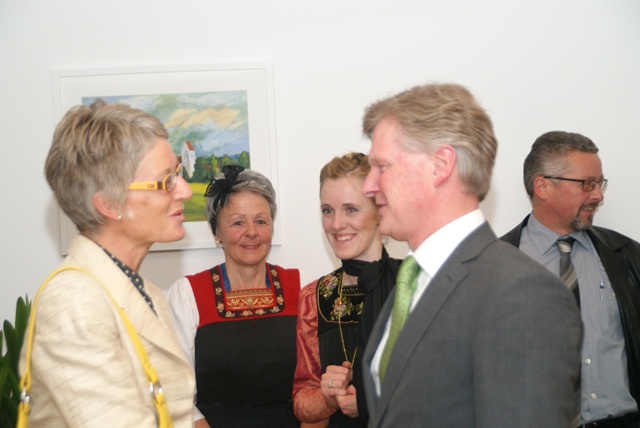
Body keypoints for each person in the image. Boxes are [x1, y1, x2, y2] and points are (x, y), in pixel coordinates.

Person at [358, 83, 583, 427]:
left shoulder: (520, 294)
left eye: (382, 167)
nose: (368, 186)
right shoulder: (413, 278)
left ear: (440, 165)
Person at [19, 100, 196, 426]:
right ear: (109, 204)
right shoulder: (73, 300)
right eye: (166, 180)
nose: (184, 191)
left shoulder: (146, 292)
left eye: (179, 173)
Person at [502, 130, 640, 428]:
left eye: (600, 183)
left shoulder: (627, 256)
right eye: (587, 184)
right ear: (543, 187)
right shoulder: (494, 264)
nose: (599, 195)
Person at [166, 165, 311, 428]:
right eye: (238, 222)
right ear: (217, 233)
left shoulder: (302, 287)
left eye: (261, 221)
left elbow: (316, 381)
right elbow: (176, 392)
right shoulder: (188, 294)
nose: (251, 232)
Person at [292, 152, 400, 427]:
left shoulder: (414, 284)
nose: (336, 224)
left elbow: (439, 387)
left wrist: (369, 403)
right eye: (328, 210)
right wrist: (327, 399)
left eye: (351, 209)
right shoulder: (314, 297)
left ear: (380, 211)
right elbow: (302, 402)